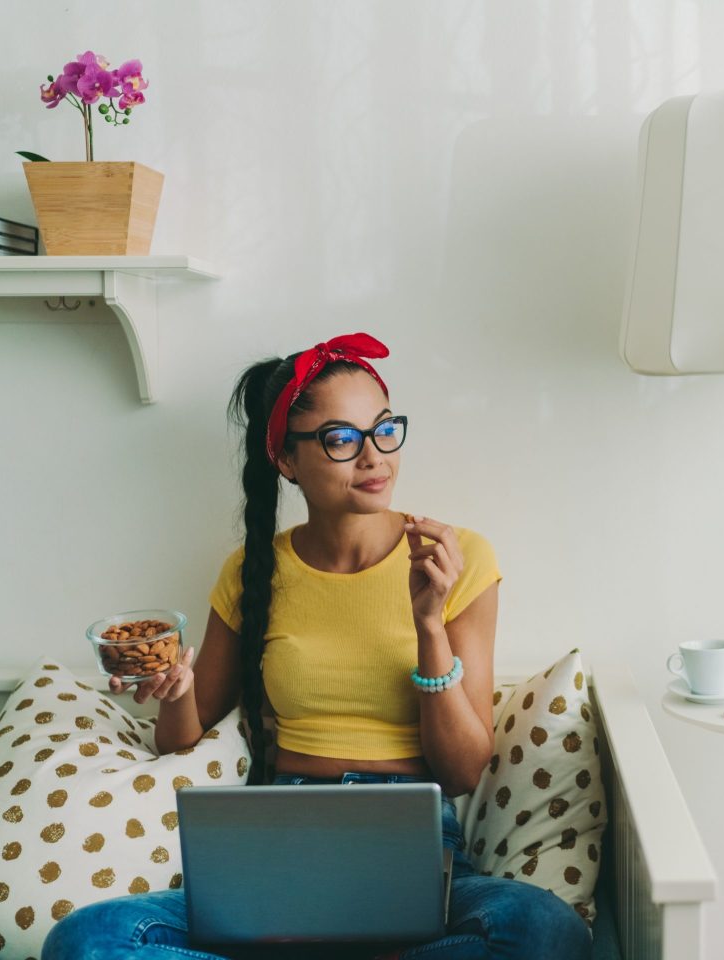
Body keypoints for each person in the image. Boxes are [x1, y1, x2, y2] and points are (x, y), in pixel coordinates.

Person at [43, 334, 592, 960]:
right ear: (287, 460)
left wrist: (430, 626)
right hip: (284, 840)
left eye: (385, 430)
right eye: (341, 439)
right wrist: (175, 690)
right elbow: (181, 740)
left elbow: (463, 770)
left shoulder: (454, 560)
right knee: (87, 940)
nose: (374, 457)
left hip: (415, 847)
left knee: (543, 930)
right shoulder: (251, 572)